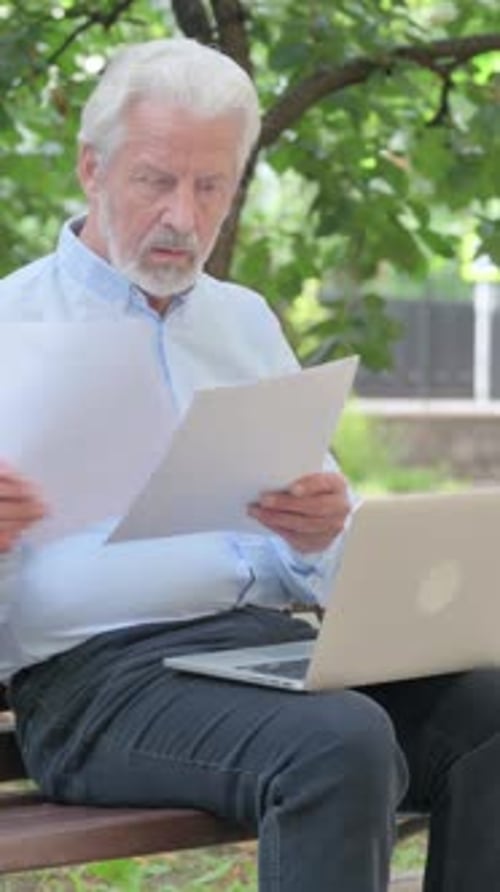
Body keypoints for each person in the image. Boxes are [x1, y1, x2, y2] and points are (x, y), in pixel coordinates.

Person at [0, 38, 499, 892]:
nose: (184, 219)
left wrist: (315, 535)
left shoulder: (242, 321)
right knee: (338, 742)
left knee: (488, 709)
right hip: (92, 681)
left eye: (212, 187)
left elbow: (314, 563)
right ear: (92, 168)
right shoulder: (11, 324)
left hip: (259, 651)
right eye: (157, 180)